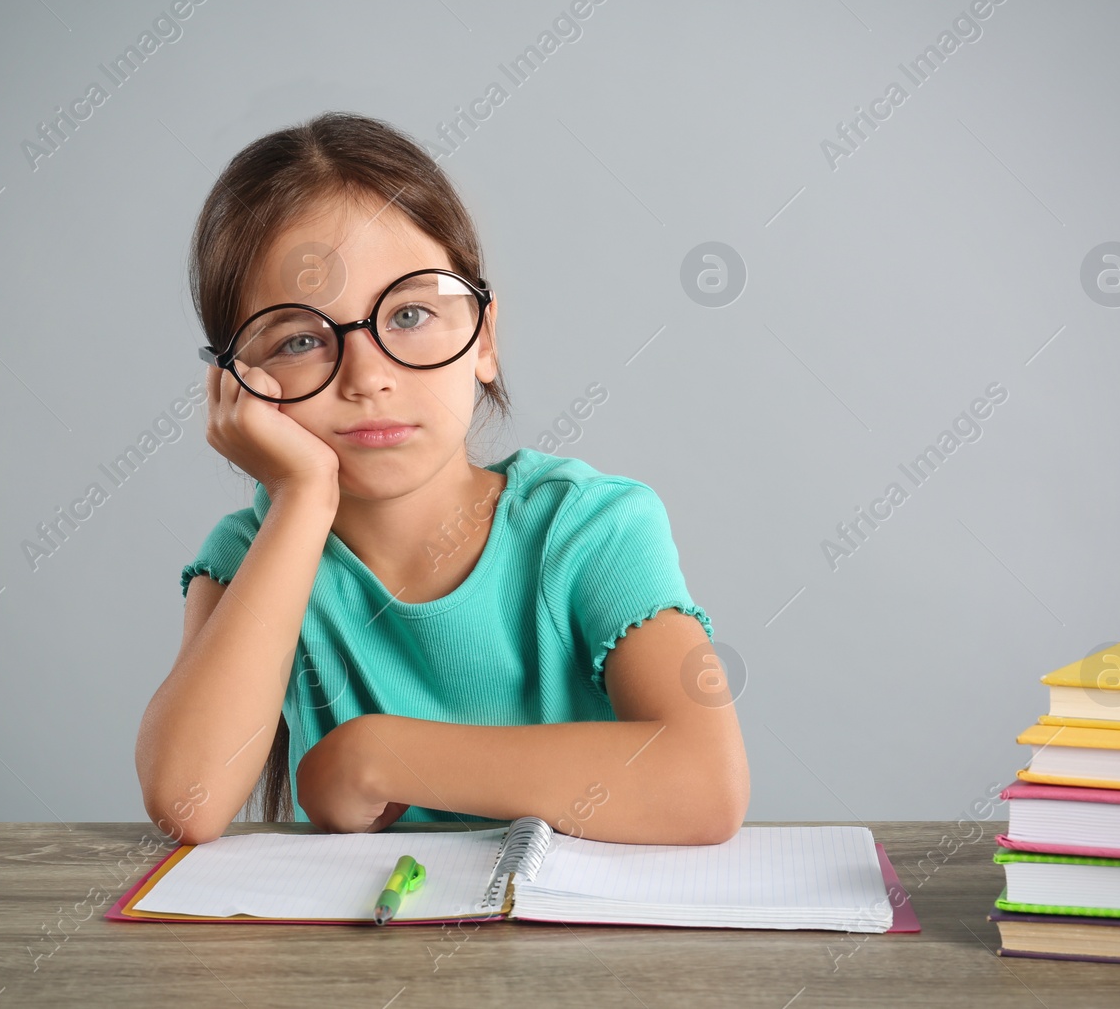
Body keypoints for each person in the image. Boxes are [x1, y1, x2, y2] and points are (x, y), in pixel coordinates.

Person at [135, 112, 748, 845]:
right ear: (239, 385)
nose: (368, 377)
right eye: (300, 338)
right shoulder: (253, 556)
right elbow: (187, 799)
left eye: (411, 314)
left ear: (482, 338)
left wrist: (377, 755)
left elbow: (704, 784)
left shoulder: (589, 528)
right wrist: (301, 499)